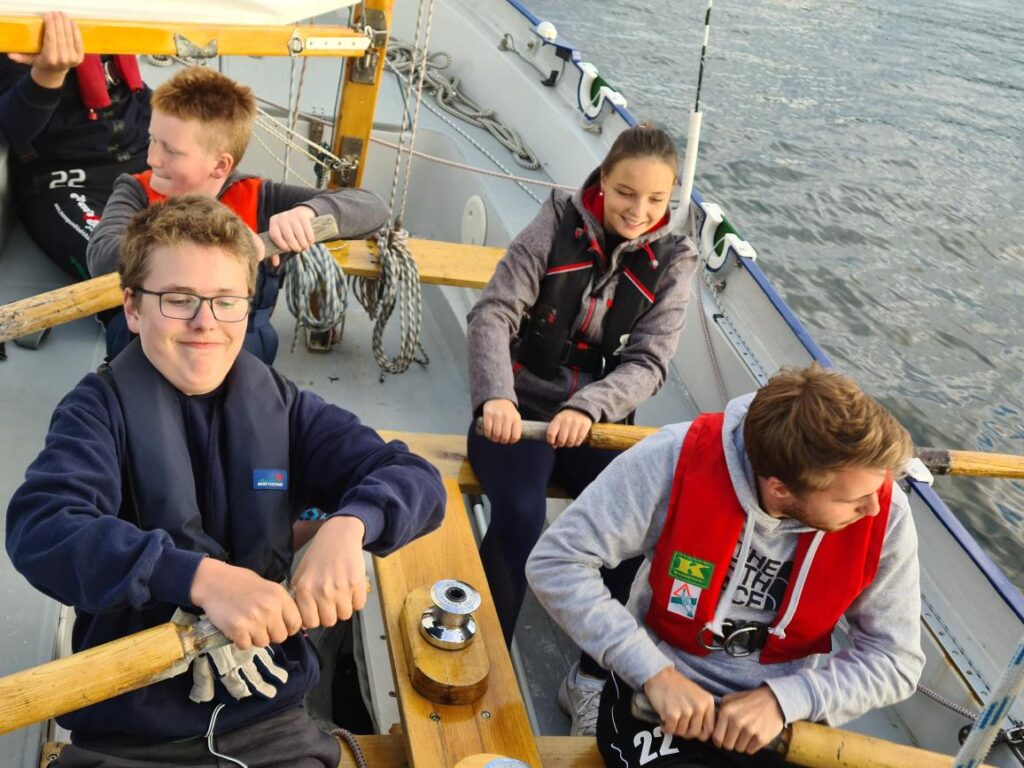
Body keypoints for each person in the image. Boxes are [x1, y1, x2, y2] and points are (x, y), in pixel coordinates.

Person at [5, 195, 446, 767]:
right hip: (131, 733)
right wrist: (199, 578)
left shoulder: (285, 409)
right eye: (178, 299)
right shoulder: (96, 412)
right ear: (132, 309)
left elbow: (413, 477)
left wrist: (350, 526)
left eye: (225, 301)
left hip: (270, 720)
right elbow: (42, 528)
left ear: (247, 307)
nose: (205, 321)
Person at [526, 364, 925, 767]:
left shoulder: (885, 511)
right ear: (780, 488)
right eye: (852, 501)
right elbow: (557, 561)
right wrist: (654, 673)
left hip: (781, 718)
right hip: (657, 698)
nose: (873, 508)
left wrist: (787, 699)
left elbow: (895, 659)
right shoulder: (672, 458)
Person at [466, 124, 698, 733]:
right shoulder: (555, 222)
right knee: (520, 516)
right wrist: (496, 397)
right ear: (602, 181)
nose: (638, 211)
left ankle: (591, 676)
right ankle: (481, 660)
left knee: (637, 530)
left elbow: (649, 362)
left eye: (655, 200)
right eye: (626, 193)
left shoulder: (675, 260)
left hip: (597, 422)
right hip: (518, 410)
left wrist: (589, 408)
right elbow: (493, 314)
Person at [86, 66, 388, 364]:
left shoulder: (261, 199)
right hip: (148, 352)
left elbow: (371, 207)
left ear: (220, 165)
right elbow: (101, 257)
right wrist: (229, 245)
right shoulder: (135, 191)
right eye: (152, 139)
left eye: (171, 150)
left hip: (237, 356)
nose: (152, 158)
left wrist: (308, 213)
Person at [0, 11, 151, 282]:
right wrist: (48, 75)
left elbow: (133, 94)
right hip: (63, 183)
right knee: (128, 273)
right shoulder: (14, 14)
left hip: (146, 162)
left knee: (226, 244)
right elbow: (14, 129)